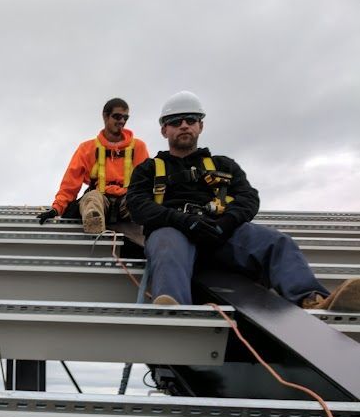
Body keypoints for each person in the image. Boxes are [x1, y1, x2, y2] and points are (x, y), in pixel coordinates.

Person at [126, 90, 360, 311]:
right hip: (174, 232)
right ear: (164, 130)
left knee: (276, 242)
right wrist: (182, 220)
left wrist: (224, 223)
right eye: (176, 121)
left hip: (220, 234)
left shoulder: (223, 165)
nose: (184, 125)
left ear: (201, 125)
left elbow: (248, 197)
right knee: (167, 245)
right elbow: (138, 204)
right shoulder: (148, 170)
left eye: (191, 119)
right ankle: (172, 308)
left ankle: (311, 300)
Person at [39, 98, 150, 233]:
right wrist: (56, 208)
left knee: (139, 201)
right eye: (117, 116)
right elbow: (70, 184)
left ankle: (145, 233)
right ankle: (94, 227)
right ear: (105, 116)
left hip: (127, 201)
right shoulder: (87, 148)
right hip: (99, 199)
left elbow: (147, 183)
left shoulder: (138, 147)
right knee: (91, 198)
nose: (122, 121)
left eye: (125, 117)